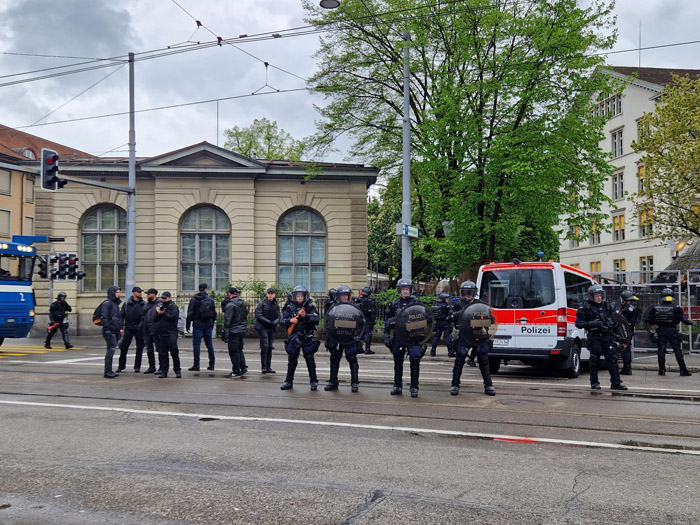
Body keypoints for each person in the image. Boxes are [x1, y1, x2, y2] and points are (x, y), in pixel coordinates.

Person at [575, 284, 628, 390]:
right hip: (594, 337)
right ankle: (594, 383)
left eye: (600, 295)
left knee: (612, 359)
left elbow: (616, 322)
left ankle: (616, 382)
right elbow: (578, 323)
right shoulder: (585, 307)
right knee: (594, 360)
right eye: (597, 295)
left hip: (607, 336)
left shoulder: (607, 306)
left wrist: (620, 337)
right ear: (591, 296)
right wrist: (592, 324)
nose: (599, 297)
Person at [448, 281, 496, 396]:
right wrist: (460, 313)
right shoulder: (458, 304)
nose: (468, 295)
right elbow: (449, 318)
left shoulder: (481, 304)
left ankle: (488, 385)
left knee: (484, 360)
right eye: (466, 292)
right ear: (462, 293)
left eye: (470, 292)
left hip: (479, 334)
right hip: (464, 335)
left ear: (474, 293)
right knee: (459, 360)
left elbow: (491, 319)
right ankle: (455, 385)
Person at [384, 278, 425, 397]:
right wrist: (386, 335)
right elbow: (387, 321)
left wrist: (423, 340)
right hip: (399, 336)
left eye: (407, 289)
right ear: (400, 291)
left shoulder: (416, 303)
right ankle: (397, 385)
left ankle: (414, 386)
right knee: (397, 360)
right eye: (403, 289)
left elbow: (424, 320)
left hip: (413, 336)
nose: (405, 292)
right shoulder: (394, 304)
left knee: (415, 360)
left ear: (410, 290)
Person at [644, 287, 693, 376]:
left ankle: (662, 370)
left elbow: (648, 320)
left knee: (661, 350)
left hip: (661, 330)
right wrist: (690, 322)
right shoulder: (676, 308)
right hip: (672, 330)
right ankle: (683, 370)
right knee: (677, 350)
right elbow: (683, 319)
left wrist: (653, 327)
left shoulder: (656, 308)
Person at [281, 285, 320, 391]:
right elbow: (281, 321)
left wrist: (305, 316)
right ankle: (288, 381)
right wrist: (290, 321)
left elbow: (316, 319)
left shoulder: (310, 307)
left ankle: (313, 381)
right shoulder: (289, 307)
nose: (299, 298)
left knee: (309, 359)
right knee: (292, 359)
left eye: (301, 296)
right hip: (294, 336)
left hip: (307, 336)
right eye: (297, 296)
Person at [324, 285, 361, 392]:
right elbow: (328, 322)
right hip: (337, 337)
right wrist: (328, 338)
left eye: (347, 295)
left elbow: (360, 322)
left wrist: (358, 336)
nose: (345, 297)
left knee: (352, 358)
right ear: (339, 296)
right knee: (334, 359)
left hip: (350, 337)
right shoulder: (334, 307)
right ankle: (333, 381)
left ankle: (354, 382)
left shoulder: (354, 307)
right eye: (343, 295)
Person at [186, 283, 218, 371]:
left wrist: (188, 324)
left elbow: (190, 312)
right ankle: (212, 364)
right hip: (208, 324)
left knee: (196, 345)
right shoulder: (210, 299)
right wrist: (212, 323)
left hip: (197, 324)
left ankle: (196, 365)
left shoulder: (194, 299)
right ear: (205, 289)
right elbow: (214, 313)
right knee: (209, 345)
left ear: (199, 289)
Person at [117, 286, 145, 373]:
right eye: (138, 292)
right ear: (133, 293)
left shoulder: (144, 304)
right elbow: (121, 316)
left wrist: (142, 326)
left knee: (140, 347)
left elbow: (145, 317)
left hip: (139, 328)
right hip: (129, 327)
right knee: (124, 347)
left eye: (140, 292)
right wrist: (121, 327)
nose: (140, 293)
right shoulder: (127, 304)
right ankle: (121, 366)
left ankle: (137, 367)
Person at [154, 291, 181, 378]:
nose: (163, 300)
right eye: (162, 298)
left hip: (171, 332)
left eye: (165, 298)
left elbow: (173, 317)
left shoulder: (173, 307)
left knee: (174, 352)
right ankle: (164, 371)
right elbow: (155, 319)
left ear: (169, 298)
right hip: (162, 332)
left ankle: (177, 370)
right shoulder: (161, 306)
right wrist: (158, 313)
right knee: (163, 353)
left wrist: (163, 313)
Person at [222, 287, 249, 378]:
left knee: (233, 351)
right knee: (239, 349)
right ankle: (243, 367)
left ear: (229, 294)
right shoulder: (242, 304)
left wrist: (225, 333)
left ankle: (236, 370)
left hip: (233, 331)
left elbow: (228, 321)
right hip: (241, 329)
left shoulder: (230, 305)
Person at [254, 287, 280, 374]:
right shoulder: (262, 303)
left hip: (272, 328)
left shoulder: (275, 304)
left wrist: (275, 322)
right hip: (263, 327)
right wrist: (269, 322)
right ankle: (264, 367)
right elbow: (259, 315)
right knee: (264, 346)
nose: (270, 295)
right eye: (269, 293)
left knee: (269, 347)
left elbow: (279, 315)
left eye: (272, 293)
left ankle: (268, 367)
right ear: (266, 294)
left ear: (274, 294)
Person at [100, 286, 123, 378]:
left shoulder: (114, 303)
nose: (119, 294)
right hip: (110, 331)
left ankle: (109, 370)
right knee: (111, 350)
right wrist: (107, 329)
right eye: (117, 292)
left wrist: (120, 328)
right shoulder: (107, 303)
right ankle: (107, 371)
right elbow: (104, 317)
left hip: (115, 330)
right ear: (113, 293)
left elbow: (118, 318)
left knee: (112, 349)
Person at [618, 290, 640, 375]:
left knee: (625, 349)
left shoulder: (628, 308)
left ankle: (627, 368)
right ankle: (626, 367)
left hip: (626, 330)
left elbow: (622, 318)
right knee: (626, 348)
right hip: (628, 329)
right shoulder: (633, 307)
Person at [140, 288, 159, 374]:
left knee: (160, 349)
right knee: (149, 349)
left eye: (149, 294)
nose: (147, 295)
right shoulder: (146, 304)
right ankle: (152, 367)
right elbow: (143, 316)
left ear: (154, 294)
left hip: (156, 329)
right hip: (146, 329)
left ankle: (162, 367)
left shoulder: (159, 304)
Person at [430, 292, 452, 357]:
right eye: (446, 298)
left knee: (436, 337)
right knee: (447, 337)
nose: (448, 300)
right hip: (445, 322)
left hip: (438, 322)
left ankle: (432, 351)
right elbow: (450, 312)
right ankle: (450, 352)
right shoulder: (445, 305)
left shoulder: (435, 304)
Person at [356, 287, 376, 354]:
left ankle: (359, 348)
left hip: (360, 320)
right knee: (368, 334)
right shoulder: (369, 301)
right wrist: (372, 320)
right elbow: (371, 312)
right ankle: (367, 348)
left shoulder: (359, 300)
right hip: (367, 320)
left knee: (360, 334)